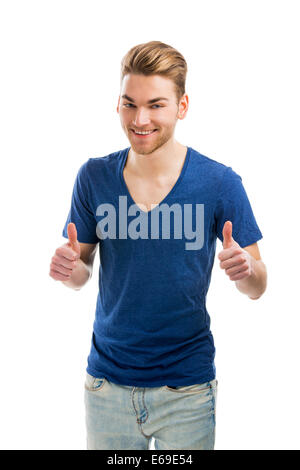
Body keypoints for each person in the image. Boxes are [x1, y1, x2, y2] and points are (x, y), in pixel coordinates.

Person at [49, 41, 267, 450]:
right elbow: (80, 272)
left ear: (182, 106)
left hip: (185, 390)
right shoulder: (93, 177)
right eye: (129, 104)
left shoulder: (220, 183)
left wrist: (247, 270)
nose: (140, 119)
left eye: (156, 105)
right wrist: (69, 269)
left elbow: (258, 285)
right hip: (107, 387)